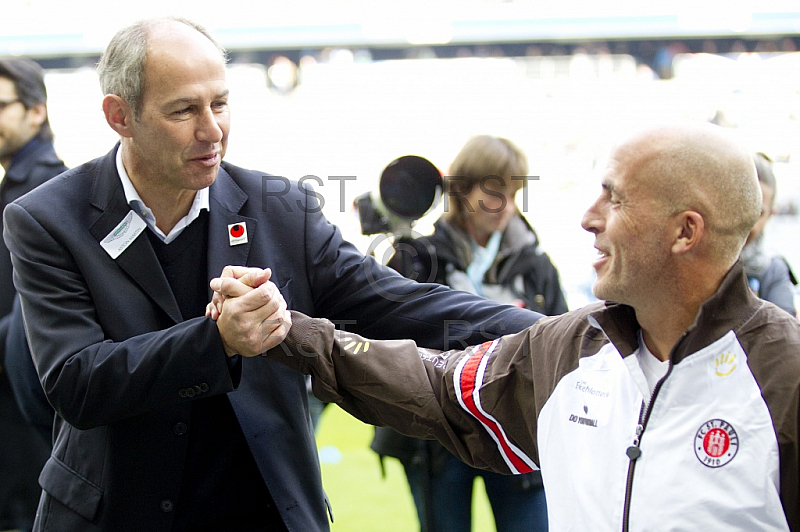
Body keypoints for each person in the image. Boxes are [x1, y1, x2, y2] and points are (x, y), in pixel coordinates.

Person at [2, 18, 537, 532]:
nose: (212, 130)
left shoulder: (281, 208)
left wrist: (551, 330)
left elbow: (397, 303)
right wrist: (216, 341)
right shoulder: (46, 219)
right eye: (184, 110)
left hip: (266, 515)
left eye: (220, 103)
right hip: (116, 515)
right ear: (120, 116)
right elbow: (76, 382)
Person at [238, 123, 800, 530]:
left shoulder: (786, 378)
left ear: (686, 232)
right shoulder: (570, 349)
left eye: (616, 198)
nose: (588, 217)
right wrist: (292, 331)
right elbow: (432, 384)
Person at [372, 135, 564, 532]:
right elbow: (383, 340)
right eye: (495, 192)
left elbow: (563, 346)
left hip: (516, 434)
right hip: (437, 439)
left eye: (514, 194)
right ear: (462, 189)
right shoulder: (415, 257)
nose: (505, 207)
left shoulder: (536, 264)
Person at [0, 56, 67, 532]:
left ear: (35, 111)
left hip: (25, 412)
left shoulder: (44, 188)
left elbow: (38, 313)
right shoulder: (18, 185)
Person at [741, 152, 797, 316]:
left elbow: (784, 335)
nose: (746, 222)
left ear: (771, 215)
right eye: (742, 207)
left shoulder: (771, 270)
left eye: (758, 213)